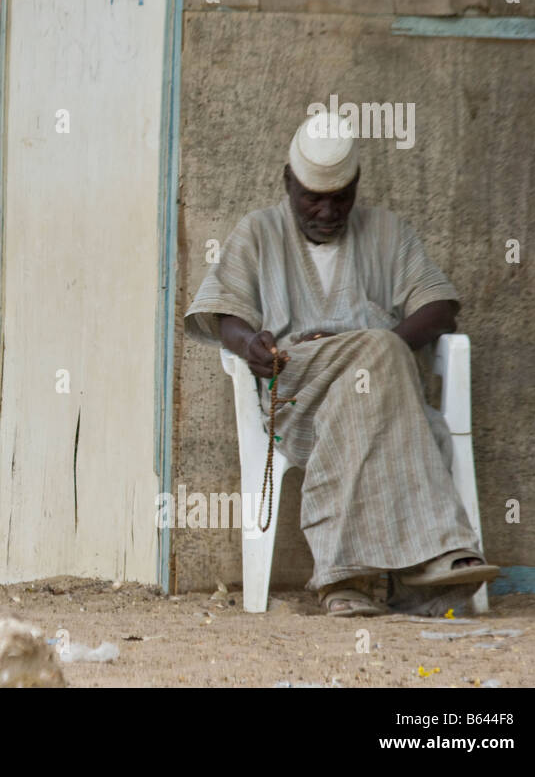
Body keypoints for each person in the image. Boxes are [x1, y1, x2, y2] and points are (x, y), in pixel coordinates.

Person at [184, 111, 498, 617]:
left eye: (340, 198)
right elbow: (228, 315)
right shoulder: (258, 232)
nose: (327, 211)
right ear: (288, 182)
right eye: (313, 197)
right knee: (380, 356)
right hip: (297, 395)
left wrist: (381, 350)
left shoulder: (388, 232)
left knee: (375, 369)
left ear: (356, 186)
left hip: (379, 402)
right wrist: (250, 345)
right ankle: (435, 553)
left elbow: (440, 307)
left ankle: (344, 580)